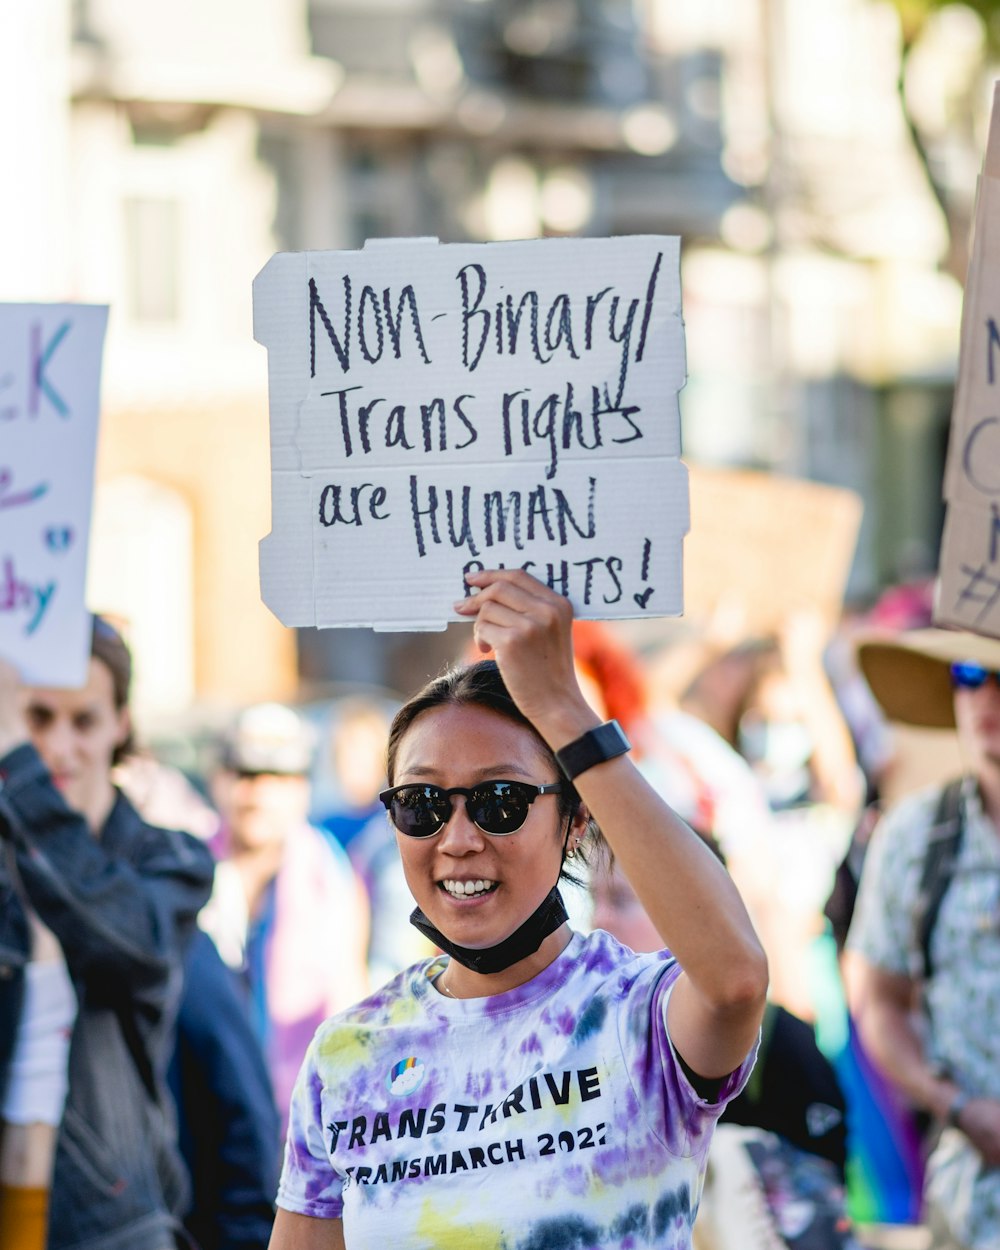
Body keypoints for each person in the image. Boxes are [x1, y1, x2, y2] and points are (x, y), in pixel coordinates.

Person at [269, 568, 768, 1249]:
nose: (458, 839)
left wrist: (565, 709)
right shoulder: (347, 1054)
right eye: (421, 804)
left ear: (575, 823)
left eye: (500, 801)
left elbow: (737, 979)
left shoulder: (635, 1013)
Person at [0, 617, 215, 1250]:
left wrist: (18, 769)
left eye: (84, 721)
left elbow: (127, 942)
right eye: (37, 719)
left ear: (120, 723)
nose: (59, 748)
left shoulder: (170, 860)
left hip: (108, 1225)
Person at [847, 627, 1000, 1249]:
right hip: (972, 1206)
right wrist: (958, 1106)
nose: (984, 696)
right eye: (969, 674)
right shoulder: (918, 835)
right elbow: (876, 999)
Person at [200, 702, 370, 1133]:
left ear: (301, 788)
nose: (257, 793)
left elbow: (348, 1004)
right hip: (207, 1113)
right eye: (244, 774)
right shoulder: (192, 870)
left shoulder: (329, 875)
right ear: (218, 780)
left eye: (276, 777)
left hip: (301, 1116)